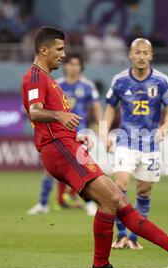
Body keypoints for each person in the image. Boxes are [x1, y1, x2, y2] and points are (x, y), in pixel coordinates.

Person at [21, 26, 168, 268]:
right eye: (59, 49)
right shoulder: (35, 77)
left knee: (116, 199)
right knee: (113, 199)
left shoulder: (48, 79)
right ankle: (104, 264)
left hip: (67, 145)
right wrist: (61, 116)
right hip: (59, 150)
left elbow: (47, 118)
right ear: (44, 50)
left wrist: (75, 136)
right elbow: (35, 112)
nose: (63, 54)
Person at [104, 38, 168, 250]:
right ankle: (121, 234)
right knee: (120, 186)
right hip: (125, 140)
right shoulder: (120, 80)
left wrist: (165, 127)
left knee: (144, 191)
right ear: (130, 55)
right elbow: (110, 107)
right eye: (138, 52)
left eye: (146, 53)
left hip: (151, 143)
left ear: (151, 55)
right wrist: (105, 133)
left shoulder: (162, 80)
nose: (142, 56)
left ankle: (135, 237)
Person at [27, 53, 102, 216]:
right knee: (51, 171)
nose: (73, 67)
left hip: (81, 132)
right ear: (66, 66)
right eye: (71, 63)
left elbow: (96, 107)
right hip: (60, 132)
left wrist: (101, 127)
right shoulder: (56, 84)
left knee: (82, 170)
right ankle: (43, 203)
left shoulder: (88, 86)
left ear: (81, 67)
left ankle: (90, 203)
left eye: (77, 64)